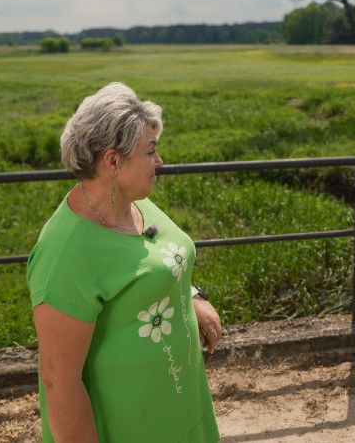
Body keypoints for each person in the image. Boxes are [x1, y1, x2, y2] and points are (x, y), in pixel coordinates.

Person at [27, 82, 222, 442]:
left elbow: (147, 259)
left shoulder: (131, 202)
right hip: (129, 424)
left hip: (178, 408)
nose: (159, 161)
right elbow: (58, 381)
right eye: (151, 151)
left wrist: (190, 295)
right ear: (113, 161)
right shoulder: (66, 253)